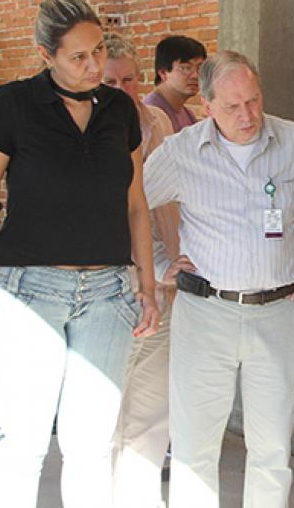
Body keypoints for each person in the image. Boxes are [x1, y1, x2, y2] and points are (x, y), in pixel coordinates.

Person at [0, 0, 159, 508]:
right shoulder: (14, 104)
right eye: (78, 57)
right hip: (29, 292)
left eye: (98, 51)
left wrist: (148, 286)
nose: (94, 66)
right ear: (46, 54)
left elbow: (136, 203)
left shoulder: (119, 110)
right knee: (21, 444)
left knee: (91, 446)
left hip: (111, 295)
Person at [142, 50, 294, 507]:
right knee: (194, 448)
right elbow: (128, 207)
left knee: (271, 449)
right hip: (205, 311)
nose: (247, 115)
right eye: (231, 106)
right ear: (206, 105)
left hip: (279, 311)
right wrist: (161, 260)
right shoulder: (182, 152)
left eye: (253, 101)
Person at [102, 32, 180, 508]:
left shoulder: (158, 123)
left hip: (163, 278)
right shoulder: (88, 127)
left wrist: (177, 262)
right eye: (112, 80)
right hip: (112, 283)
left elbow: (169, 204)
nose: (123, 88)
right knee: (108, 408)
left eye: (130, 78)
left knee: (151, 412)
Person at [143, 35, 206, 132]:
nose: (195, 75)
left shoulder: (188, 115)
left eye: (200, 68)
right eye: (185, 68)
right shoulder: (150, 114)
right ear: (163, 73)